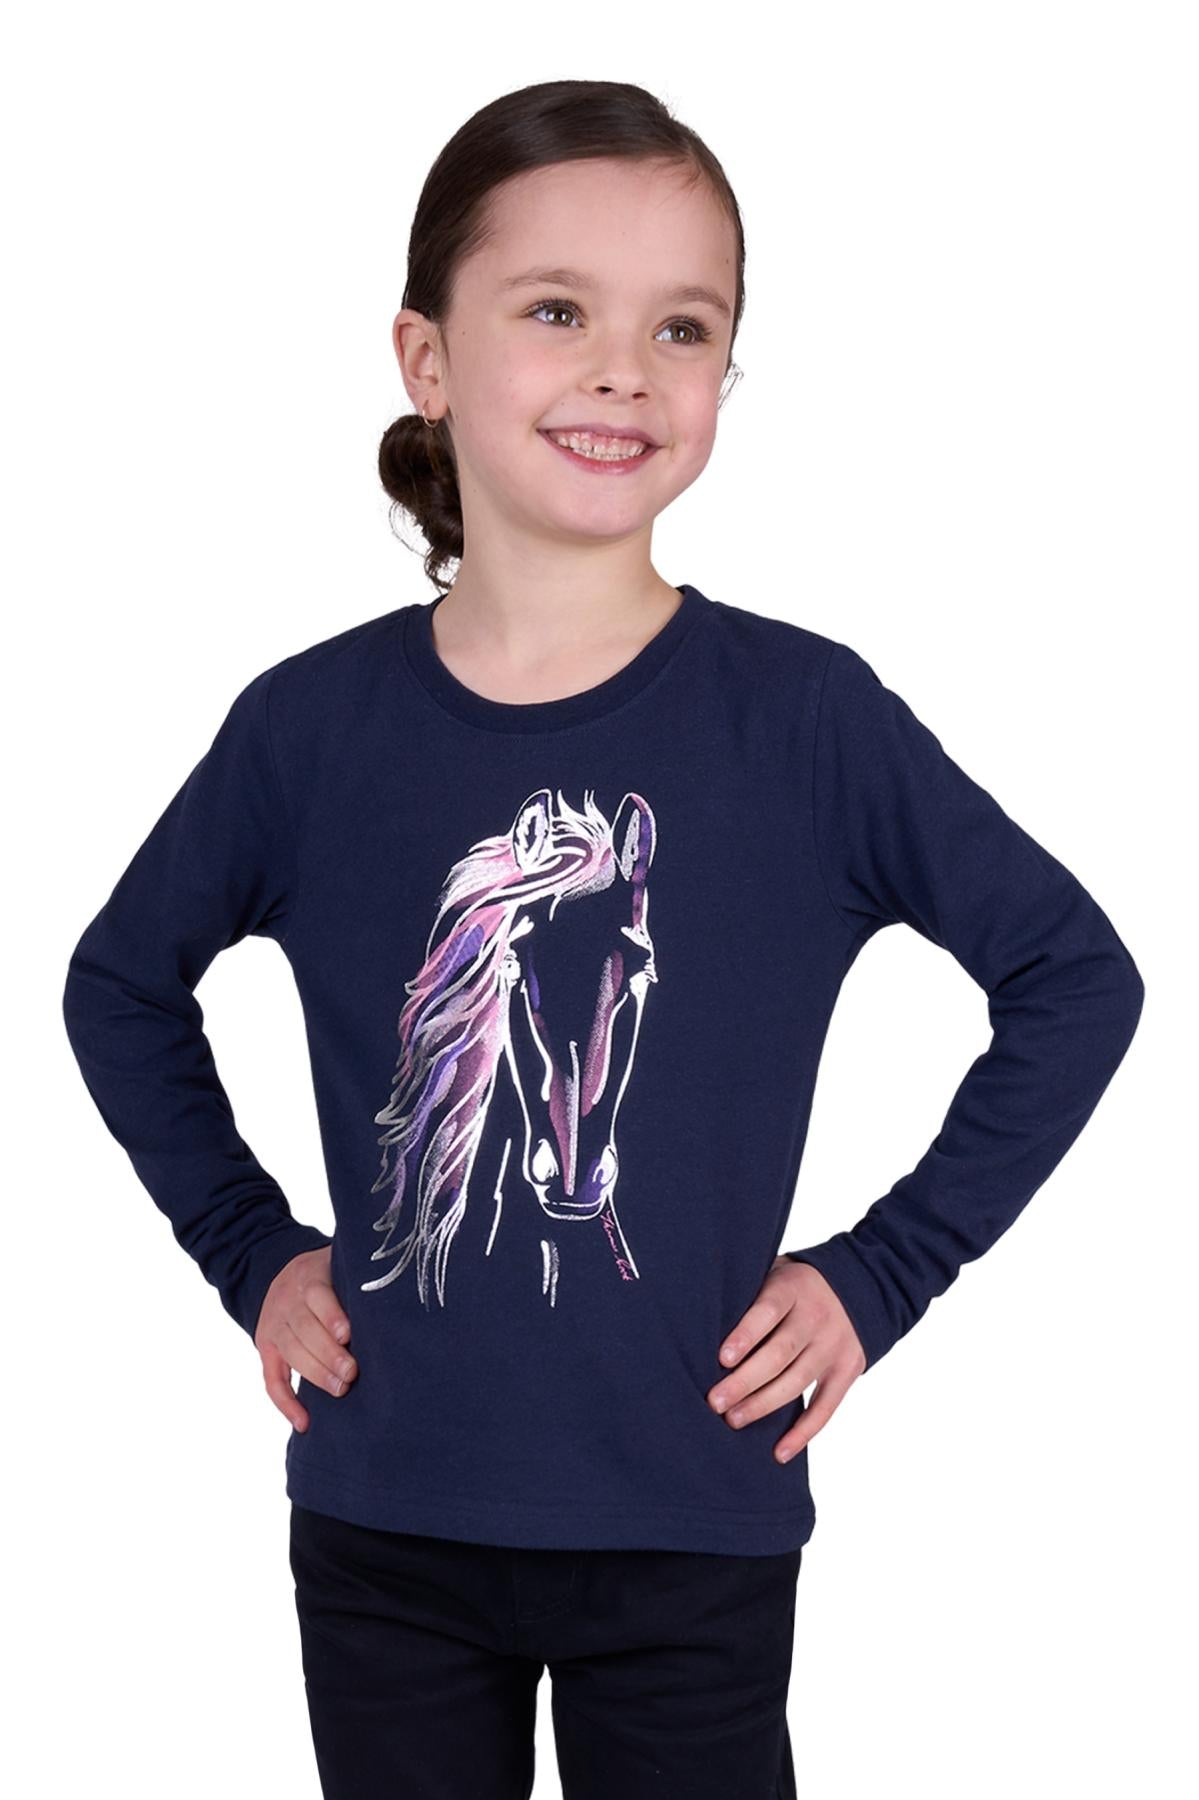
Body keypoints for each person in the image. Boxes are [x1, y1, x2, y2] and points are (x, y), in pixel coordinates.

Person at [61, 77, 1144, 1800]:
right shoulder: (309, 732)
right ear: (426, 359)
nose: (625, 369)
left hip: (692, 1523)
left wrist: (880, 1275)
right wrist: (249, 1248)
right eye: (558, 311)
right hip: (389, 1525)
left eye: (682, 327)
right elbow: (119, 983)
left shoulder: (804, 721)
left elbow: (1076, 979)